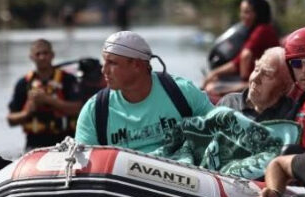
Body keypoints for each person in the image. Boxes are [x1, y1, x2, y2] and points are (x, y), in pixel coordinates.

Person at [75, 30, 214, 153]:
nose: (103, 70)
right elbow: (84, 164)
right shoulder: (94, 111)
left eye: (112, 63)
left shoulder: (182, 91)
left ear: (137, 64)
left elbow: (221, 131)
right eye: (104, 62)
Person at [6, 38, 84, 151]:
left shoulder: (68, 80)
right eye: (38, 54)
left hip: (65, 140)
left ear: (52, 55)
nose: (42, 57)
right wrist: (27, 112)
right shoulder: (23, 83)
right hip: (34, 143)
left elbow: (79, 109)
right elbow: (11, 120)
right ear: (31, 57)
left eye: (45, 53)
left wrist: (48, 100)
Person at [202, 0, 279, 89]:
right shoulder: (257, 31)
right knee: (215, 79)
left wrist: (244, 80)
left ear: (258, 13)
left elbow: (245, 56)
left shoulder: (262, 30)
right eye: (242, 12)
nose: (242, 16)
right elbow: (237, 62)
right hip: (256, 79)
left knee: (211, 87)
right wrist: (214, 73)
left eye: (247, 12)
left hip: (260, 82)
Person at [217, 47, 298, 122]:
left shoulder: (293, 116)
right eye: (256, 69)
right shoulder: (228, 104)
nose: (255, 79)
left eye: (266, 74)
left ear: (284, 87)